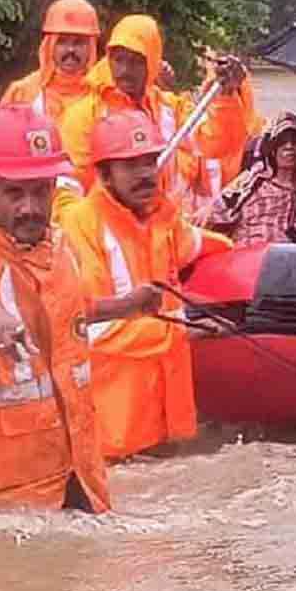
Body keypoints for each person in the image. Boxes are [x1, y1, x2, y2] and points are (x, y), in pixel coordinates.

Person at [0, 105, 161, 520]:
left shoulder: (60, 248)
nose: (30, 208)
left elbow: (67, 313)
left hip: (80, 472)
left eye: (40, 191)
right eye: (15, 194)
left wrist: (126, 306)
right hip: (6, 497)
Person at [59, 110, 234, 462]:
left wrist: (249, 257)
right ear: (104, 173)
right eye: (130, 165)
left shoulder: (161, 218)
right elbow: (88, 326)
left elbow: (200, 244)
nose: (145, 174)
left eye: (150, 162)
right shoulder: (80, 226)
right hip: (111, 435)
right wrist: (182, 331)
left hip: (166, 422)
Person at [59, 14, 250, 216]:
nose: (124, 70)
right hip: (110, 232)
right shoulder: (84, 115)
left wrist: (226, 97)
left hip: (165, 232)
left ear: (151, 63)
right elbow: (70, 186)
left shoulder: (170, 108)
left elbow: (215, 144)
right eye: (118, 60)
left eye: (135, 62)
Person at [203, 112, 296, 247]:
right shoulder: (250, 183)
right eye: (281, 142)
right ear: (271, 149)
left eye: (295, 142)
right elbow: (209, 219)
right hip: (247, 263)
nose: (289, 147)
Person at [0, 0, 100, 124]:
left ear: (91, 48)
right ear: (49, 45)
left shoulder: (106, 97)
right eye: (62, 42)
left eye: (79, 42)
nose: (70, 50)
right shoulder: (22, 93)